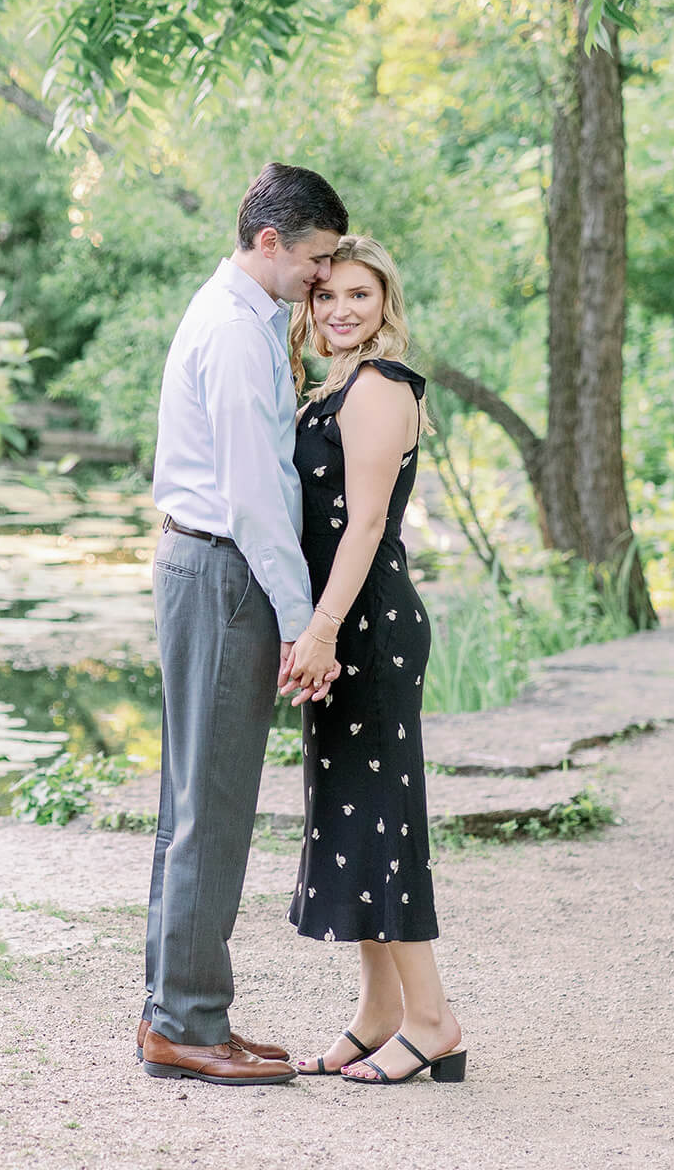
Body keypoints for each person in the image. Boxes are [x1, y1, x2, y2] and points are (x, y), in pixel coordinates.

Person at [139, 163, 348, 1087]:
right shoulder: (231, 332)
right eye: (317, 258)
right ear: (271, 243)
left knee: (194, 803)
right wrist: (307, 623)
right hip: (223, 573)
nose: (322, 275)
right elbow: (256, 495)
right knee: (210, 807)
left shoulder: (254, 319)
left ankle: (179, 1014)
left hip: (210, 569)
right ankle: (185, 1023)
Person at [279, 235, 466, 1085]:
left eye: (359, 295)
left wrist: (320, 629)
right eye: (327, 297)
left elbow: (362, 524)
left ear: (384, 303)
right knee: (351, 812)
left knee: (381, 819)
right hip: (340, 622)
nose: (341, 310)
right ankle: (380, 1009)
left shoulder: (383, 387)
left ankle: (433, 1020)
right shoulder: (335, 386)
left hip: (367, 623)